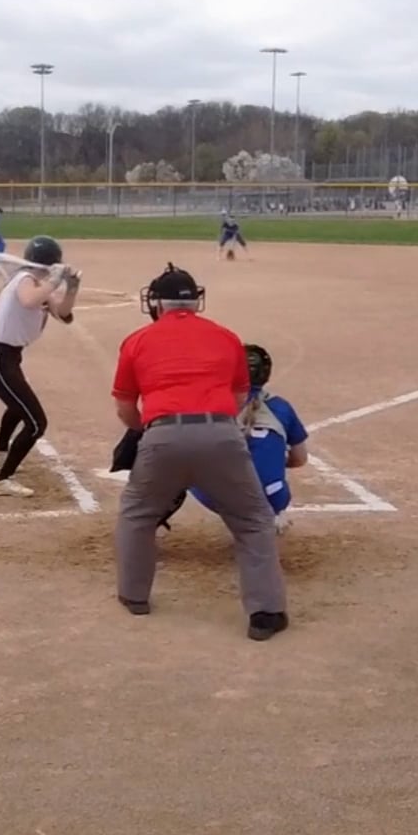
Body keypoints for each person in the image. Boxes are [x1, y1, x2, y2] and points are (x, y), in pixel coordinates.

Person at [111, 264, 288, 640]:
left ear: (157, 303)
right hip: (221, 435)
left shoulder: (137, 340)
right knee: (253, 519)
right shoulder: (226, 337)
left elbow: (125, 407)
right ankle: (266, 613)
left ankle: (134, 596)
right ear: (195, 302)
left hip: (161, 436)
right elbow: (239, 398)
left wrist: (149, 431)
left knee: (137, 514)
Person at [158, 344, 309, 536]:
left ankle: (150, 519)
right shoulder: (281, 407)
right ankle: (273, 516)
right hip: (272, 501)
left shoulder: (207, 402)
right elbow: (299, 459)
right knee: (266, 469)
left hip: (218, 499)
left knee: (176, 460)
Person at [0, 236, 80, 498]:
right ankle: (3, 480)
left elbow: (64, 315)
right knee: (36, 423)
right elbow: (28, 301)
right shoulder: (24, 279)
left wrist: (70, 288)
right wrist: (54, 281)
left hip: (8, 358)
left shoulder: (38, 284)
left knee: (17, 407)